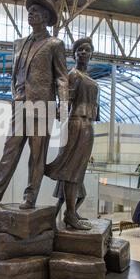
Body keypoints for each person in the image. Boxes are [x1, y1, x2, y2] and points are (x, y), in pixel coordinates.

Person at [0, 0, 68, 209]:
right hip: (20, 103)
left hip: (43, 105)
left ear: (46, 16)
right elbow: (15, 75)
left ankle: (30, 197)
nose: (30, 13)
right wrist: (15, 96)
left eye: (35, 10)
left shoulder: (54, 44)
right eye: (29, 10)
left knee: (37, 153)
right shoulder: (19, 44)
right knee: (10, 150)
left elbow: (61, 77)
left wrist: (63, 104)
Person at [45, 37, 99, 230]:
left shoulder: (91, 80)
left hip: (88, 126)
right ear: (74, 54)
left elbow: (96, 108)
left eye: (87, 50)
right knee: (71, 171)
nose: (83, 52)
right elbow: (66, 98)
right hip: (76, 123)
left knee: (78, 172)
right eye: (79, 50)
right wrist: (60, 111)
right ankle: (69, 214)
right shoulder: (74, 75)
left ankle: (71, 212)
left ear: (92, 53)